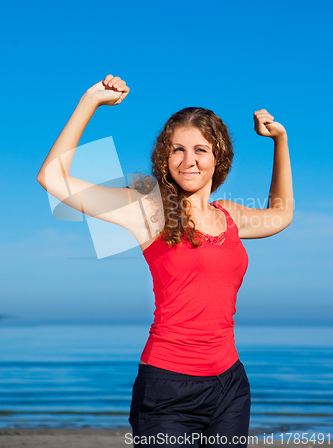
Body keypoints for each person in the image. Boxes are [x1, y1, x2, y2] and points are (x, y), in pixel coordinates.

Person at [37, 74, 293, 447]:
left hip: (230, 387)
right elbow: (52, 177)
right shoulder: (147, 210)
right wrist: (91, 100)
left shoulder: (232, 216)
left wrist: (280, 141)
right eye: (177, 149)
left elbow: (281, 213)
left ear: (218, 156)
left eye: (200, 149)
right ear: (164, 156)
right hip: (167, 391)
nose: (188, 161)